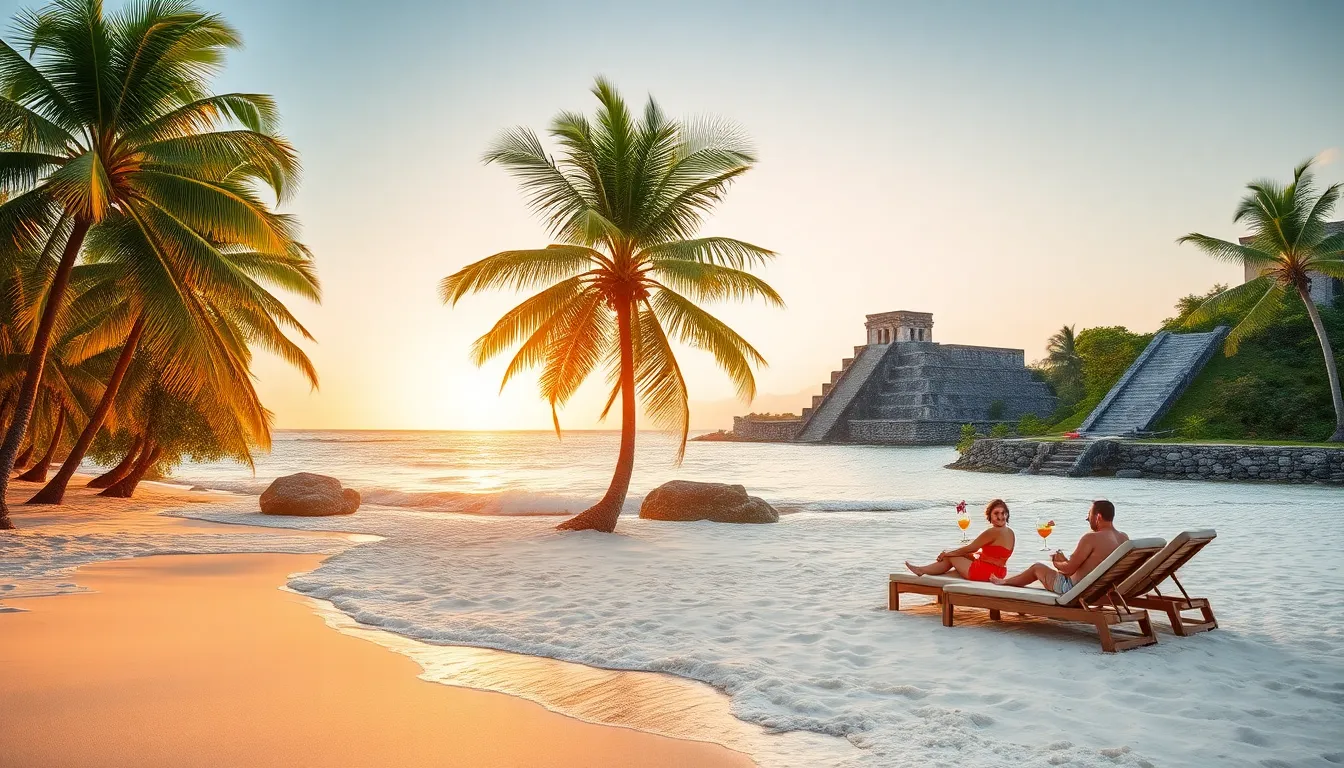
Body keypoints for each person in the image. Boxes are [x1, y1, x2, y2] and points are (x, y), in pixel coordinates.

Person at [991, 500, 1127, 594]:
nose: (1087, 518)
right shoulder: (1123, 538)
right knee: (1046, 566)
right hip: (1104, 589)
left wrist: (1056, 562)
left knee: (1037, 567)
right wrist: (1065, 561)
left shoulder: (1091, 538)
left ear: (1098, 517)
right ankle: (1007, 581)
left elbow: (1068, 570)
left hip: (1073, 589)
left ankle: (1004, 582)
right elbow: (1091, 565)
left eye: (1089, 514)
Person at [905, 499, 1015, 581]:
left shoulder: (993, 531)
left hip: (987, 572)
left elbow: (971, 548)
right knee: (951, 568)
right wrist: (956, 554)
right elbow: (991, 555)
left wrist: (947, 553)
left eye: (1003, 513)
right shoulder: (1010, 532)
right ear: (989, 516)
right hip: (1000, 572)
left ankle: (921, 570)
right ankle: (928, 573)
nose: (1001, 516)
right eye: (996, 513)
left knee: (952, 556)